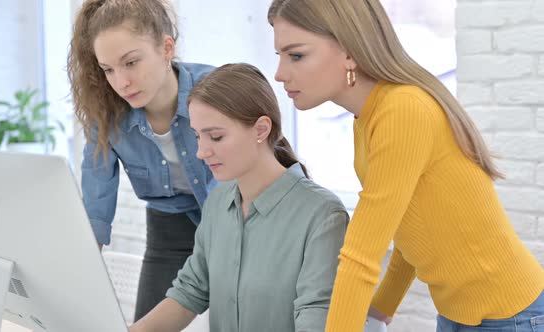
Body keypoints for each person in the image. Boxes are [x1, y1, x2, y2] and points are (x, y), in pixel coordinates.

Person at [268, 0, 544, 331]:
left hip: (511, 316)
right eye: (279, 57)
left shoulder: (402, 111)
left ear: (350, 51)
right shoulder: (366, 119)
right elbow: (411, 226)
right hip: (460, 316)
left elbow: (360, 255)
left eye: (296, 55)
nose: (280, 74)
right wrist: (381, 309)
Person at [129, 63, 349, 332]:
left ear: (260, 129)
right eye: (198, 136)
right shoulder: (219, 202)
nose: (201, 152)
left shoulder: (322, 216)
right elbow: (190, 292)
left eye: (216, 137)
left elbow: (317, 319)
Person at [66, 0, 216, 321]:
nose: (121, 82)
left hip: (235, 220)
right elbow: (96, 202)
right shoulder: (105, 116)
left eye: (131, 62)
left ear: (166, 48)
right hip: (168, 229)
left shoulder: (217, 90)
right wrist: (73, 283)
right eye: (108, 69)